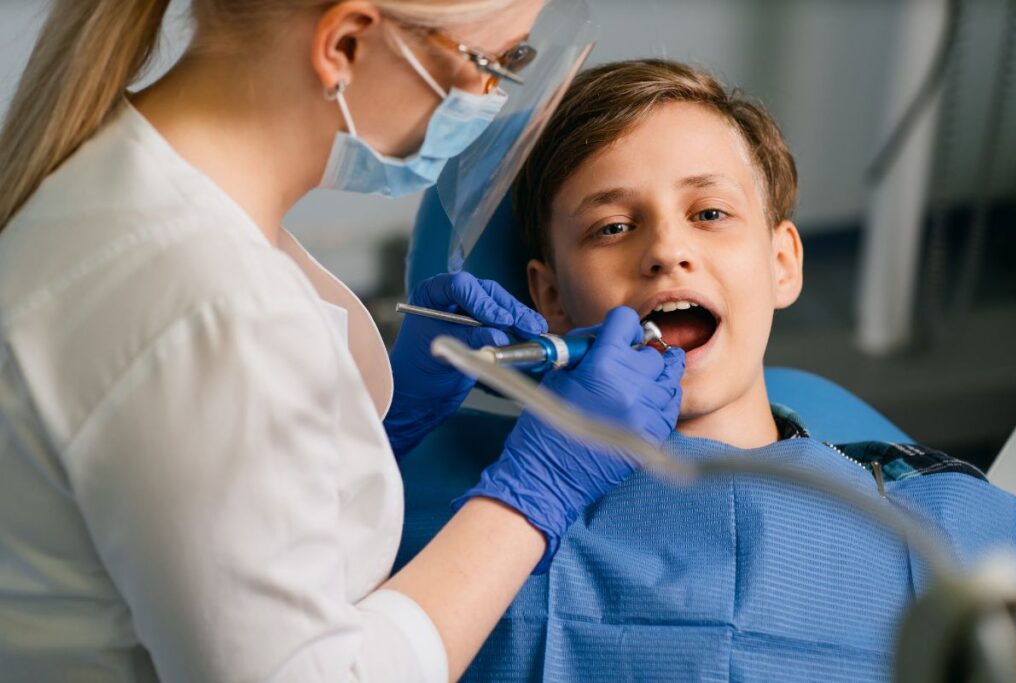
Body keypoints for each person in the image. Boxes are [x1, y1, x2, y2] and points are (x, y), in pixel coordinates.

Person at [0, 2, 687, 681]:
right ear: (346, 44)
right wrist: (535, 494)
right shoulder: (208, 302)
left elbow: (207, 510)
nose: (489, 99)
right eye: (496, 63)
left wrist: (377, 423)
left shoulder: (138, 186)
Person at [397, 59, 1016, 680]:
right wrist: (383, 431)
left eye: (709, 214)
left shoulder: (953, 531)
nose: (667, 251)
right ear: (551, 298)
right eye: (612, 227)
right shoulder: (409, 489)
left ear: (781, 263)